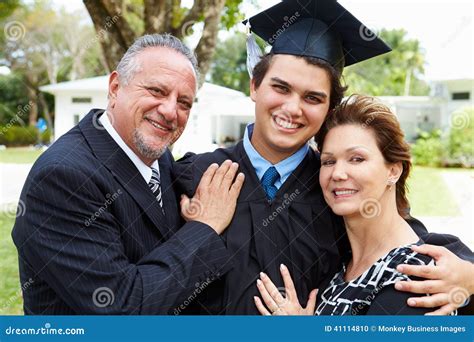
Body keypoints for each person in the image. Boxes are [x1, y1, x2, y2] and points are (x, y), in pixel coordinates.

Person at [173, 0, 474, 315]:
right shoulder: (197, 176)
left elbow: (403, 239)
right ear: (255, 86)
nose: (292, 108)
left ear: (329, 108)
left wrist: (469, 275)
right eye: (281, 88)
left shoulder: (339, 191)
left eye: (312, 97)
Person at [12, 34, 245, 314]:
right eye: (157, 91)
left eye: (184, 102)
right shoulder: (63, 177)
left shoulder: (158, 155)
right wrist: (204, 228)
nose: (171, 111)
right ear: (115, 87)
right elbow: (123, 307)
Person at [254, 95, 474, 315]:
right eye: (328, 161)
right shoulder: (340, 260)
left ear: (393, 171)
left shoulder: (415, 277)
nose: (338, 174)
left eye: (357, 159)